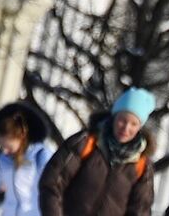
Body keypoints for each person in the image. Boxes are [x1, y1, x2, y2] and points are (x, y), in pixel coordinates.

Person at [40, 88, 158, 216]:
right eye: (122, 120)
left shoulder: (142, 166)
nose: (126, 128)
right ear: (114, 117)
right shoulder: (86, 143)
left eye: (133, 124)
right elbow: (52, 183)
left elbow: (140, 210)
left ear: (139, 128)